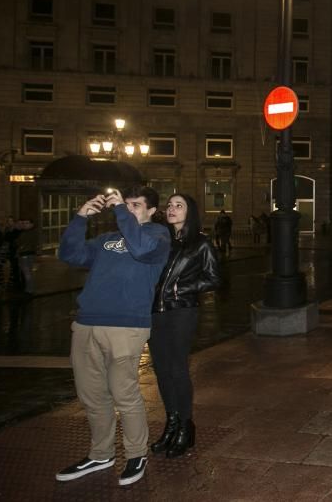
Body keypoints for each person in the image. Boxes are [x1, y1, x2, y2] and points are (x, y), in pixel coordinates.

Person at [55, 186, 171, 487]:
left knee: (125, 394)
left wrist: (121, 210)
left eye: (135, 205)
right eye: (125, 204)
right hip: (87, 323)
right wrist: (81, 217)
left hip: (126, 326)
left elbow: (141, 249)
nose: (127, 208)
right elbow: (70, 254)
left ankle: (136, 454)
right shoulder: (106, 240)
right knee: (92, 396)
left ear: (150, 210)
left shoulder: (157, 236)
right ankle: (100, 453)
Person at [149, 194, 221, 459]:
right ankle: (171, 422)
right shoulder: (161, 241)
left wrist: (182, 288)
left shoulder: (200, 243)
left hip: (182, 311)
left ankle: (185, 426)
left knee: (178, 368)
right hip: (155, 312)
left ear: (190, 212)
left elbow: (214, 278)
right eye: (169, 205)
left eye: (179, 205)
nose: (172, 209)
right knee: (161, 370)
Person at [16, 218, 39, 295]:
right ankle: (28, 288)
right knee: (26, 272)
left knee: (27, 273)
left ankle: (30, 289)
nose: (25, 224)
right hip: (24, 254)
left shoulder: (31, 232)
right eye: (24, 223)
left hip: (27, 254)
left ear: (31, 224)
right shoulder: (24, 232)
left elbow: (28, 244)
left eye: (27, 223)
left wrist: (22, 247)